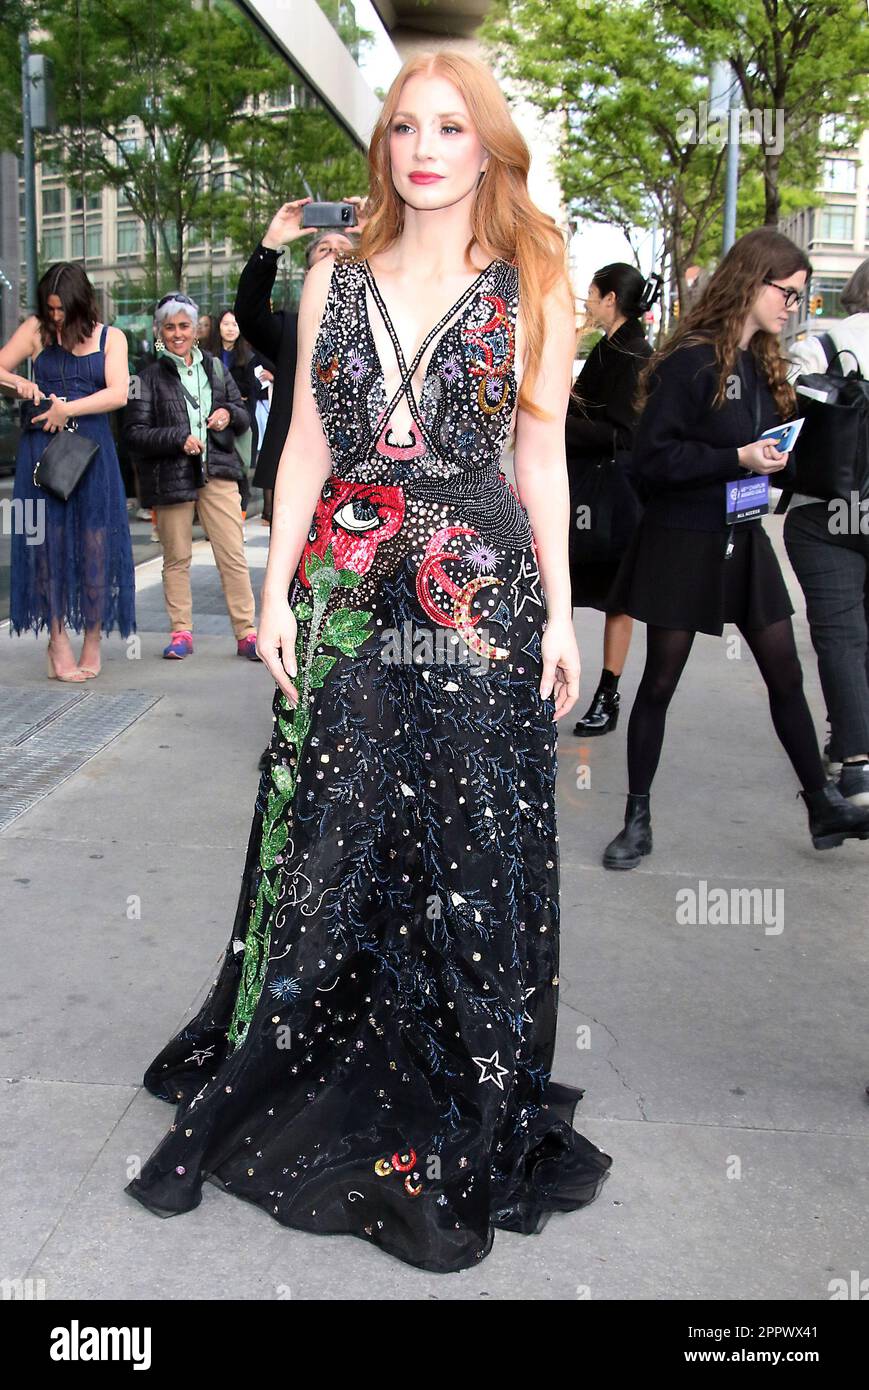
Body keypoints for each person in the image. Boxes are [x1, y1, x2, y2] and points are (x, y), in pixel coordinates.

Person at [125, 50, 612, 1273]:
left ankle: (461, 1068)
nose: (423, 147)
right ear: (383, 147)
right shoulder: (330, 277)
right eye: (404, 127)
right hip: (344, 583)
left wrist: (558, 613)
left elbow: (539, 461)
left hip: (474, 589)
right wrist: (282, 588)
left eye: (450, 127)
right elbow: (303, 448)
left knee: (468, 832)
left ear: (487, 145)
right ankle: (313, 1040)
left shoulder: (532, 283)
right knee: (335, 820)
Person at [602, 228, 869, 869]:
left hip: (741, 538)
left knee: (785, 672)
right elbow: (650, 458)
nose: (793, 307)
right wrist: (736, 457)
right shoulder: (692, 360)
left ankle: (822, 802)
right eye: (788, 293)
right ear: (752, 281)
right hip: (683, 540)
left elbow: (739, 452)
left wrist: (770, 461)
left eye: (800, 298)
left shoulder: (759, 362)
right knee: (660, 681)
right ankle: (635, 818)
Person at [1, 262, 135, 678]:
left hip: (91, 454)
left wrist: (68, 408)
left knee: (96, 549)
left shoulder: (111, 338)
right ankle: (57, 643)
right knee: (48, 551)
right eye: (50, 308)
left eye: (61, 309)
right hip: (43, 452)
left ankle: (91, 641)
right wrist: (16, 383)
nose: (55, 316)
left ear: (80, 303)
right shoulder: (37, 330)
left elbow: (118, 393)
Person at [122, 291, 260, 661]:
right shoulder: (145, 377)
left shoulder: (215, 368)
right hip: (171, 476)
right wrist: (177, 439)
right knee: (176, 556)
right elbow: (133, 434)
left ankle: (247, 633)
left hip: (218, 471)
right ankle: (181, 631)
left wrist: (228, 415)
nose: (178, 334)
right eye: (170, 327)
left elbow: (242, 415)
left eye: (184, 326)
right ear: (159, 331)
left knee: (232, 553)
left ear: (196, 330)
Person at [781, 259, 869, 807]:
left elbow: (787, 416)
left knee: (841, 635)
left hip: (828, 512)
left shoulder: (823, 345)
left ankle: (857, 765)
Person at [567, 263, 654, 737]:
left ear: (609, 299)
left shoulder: (634, 352)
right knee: (575, 592)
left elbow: (621, 432)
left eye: (592, 295)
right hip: (593, 491)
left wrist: (562, 420)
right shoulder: (614, 346)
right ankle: (571, 686)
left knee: (615, 598)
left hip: (610, 497)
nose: (587, 302)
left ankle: (607, 693)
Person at [234, 204, 357, 527]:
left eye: (344, 249)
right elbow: (248, 312)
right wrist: (272, 242)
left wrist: (381, 231)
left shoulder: (386, 324)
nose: (333, 255)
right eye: (324, 249)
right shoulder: (290, 328)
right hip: (300, 471)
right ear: (308, 272)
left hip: (363, 474)